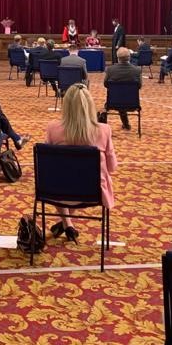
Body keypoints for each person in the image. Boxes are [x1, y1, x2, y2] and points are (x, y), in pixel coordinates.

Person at [43, 83, 117, 243]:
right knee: (79, 178)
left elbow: (47, 168)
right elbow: (112, 168)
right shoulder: (104, 130)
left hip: (56, 191)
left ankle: (66, 224)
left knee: (63, 177)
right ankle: (68, 224)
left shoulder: (53, 129)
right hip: (92, 192)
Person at [103, 47, 142, 130]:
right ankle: (126, 124)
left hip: (113, 103)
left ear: (117, 58)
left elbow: (106, 84)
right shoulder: (137, 70)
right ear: (129, 57)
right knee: (123, 98)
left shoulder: (110, 70)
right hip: (132, 103)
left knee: (119, 98)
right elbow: (139, 86)